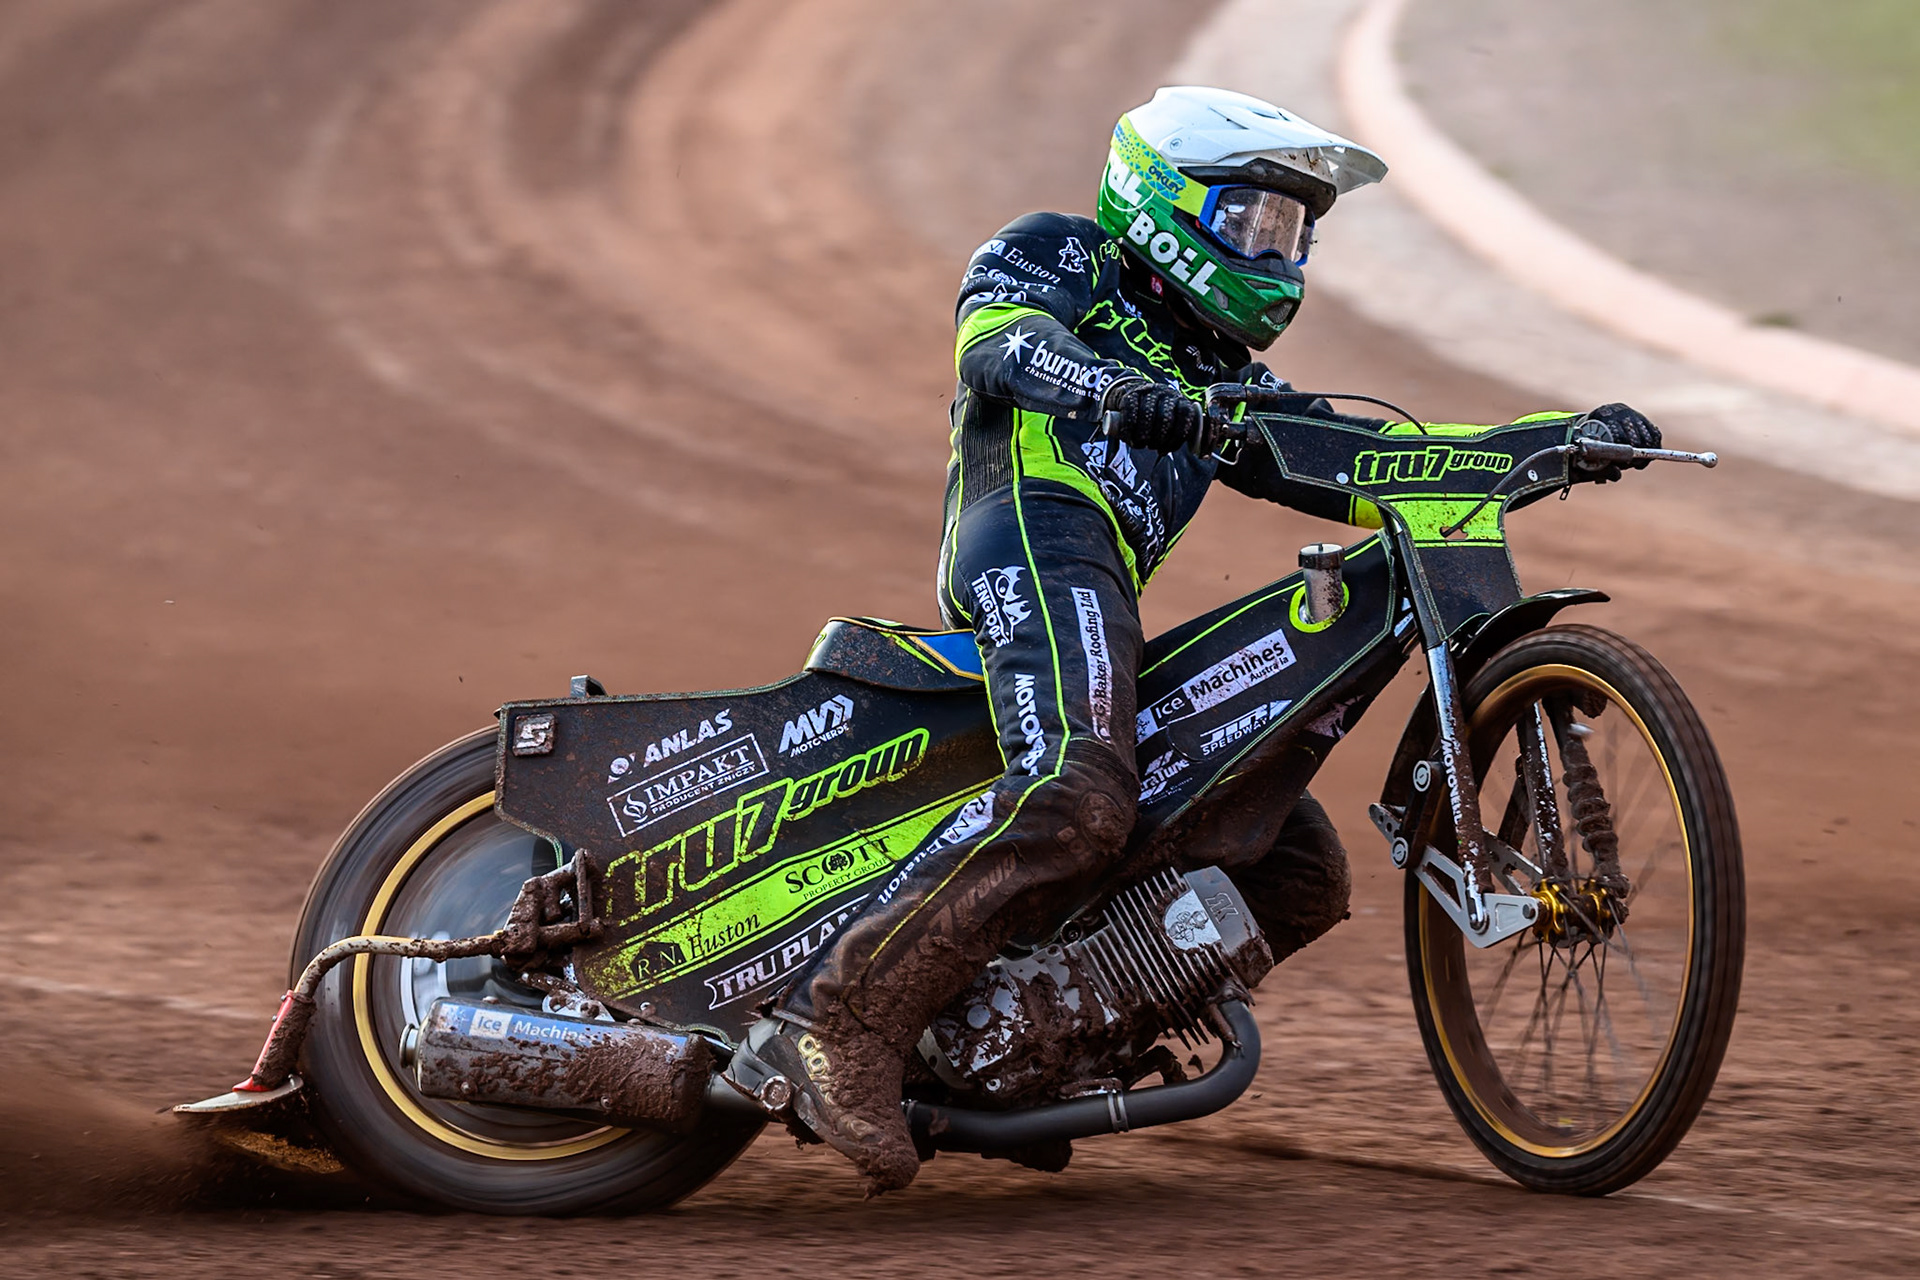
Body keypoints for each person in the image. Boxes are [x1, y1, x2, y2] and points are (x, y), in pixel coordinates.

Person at [727, 86, 1661, 1193]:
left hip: (1100, 581)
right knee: (1080, 790)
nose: (1277, 251)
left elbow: (1371, 462)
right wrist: (1114, 385)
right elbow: (998, 347)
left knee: (1298, 864)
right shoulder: (1059, 253)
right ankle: (843, 1020)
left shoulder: (1226, 381)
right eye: (1252, 221)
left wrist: (1550, 440)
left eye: (1293, 231)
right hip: (1030, 535)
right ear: (1162, 198)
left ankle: (1037, 1039)